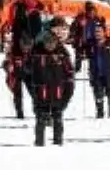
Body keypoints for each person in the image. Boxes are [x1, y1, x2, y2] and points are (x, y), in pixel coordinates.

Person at [27, 17, 75, 146]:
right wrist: (34, 88)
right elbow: (29, 68)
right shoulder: (40, 43)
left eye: (63, 29)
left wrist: (67, 91)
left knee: (57, 118)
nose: (60, 32)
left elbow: (69, 73)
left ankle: (57, 141)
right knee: (41, 118)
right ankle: (40, 142)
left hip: (56, 90)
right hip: (42, 90)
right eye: (58, 28)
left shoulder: (61, 50)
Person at [87, 22, 110, 119]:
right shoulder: (91, 44)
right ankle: (100, 113)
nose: (97, 33)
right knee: (98, 94)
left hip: (109, 72)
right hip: (96, 73)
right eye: (96, 32)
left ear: (104, 32)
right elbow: (87, 55)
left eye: (99, 31)